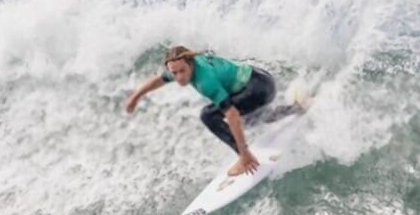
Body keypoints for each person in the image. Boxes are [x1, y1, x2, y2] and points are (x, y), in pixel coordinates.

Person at [125, 46, 294, 176]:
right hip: (261, 78)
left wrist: (244, 153)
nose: (179, 78)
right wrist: (135, 97)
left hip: (259, 89)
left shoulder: (205, 81)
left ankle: (244, 159)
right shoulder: (184, 64)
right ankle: (295, 109)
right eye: (174, 73)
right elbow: (160, 79)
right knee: (249, 120)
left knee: (209, 115)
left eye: (182, 71)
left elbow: (232, 115)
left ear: (190, 65)